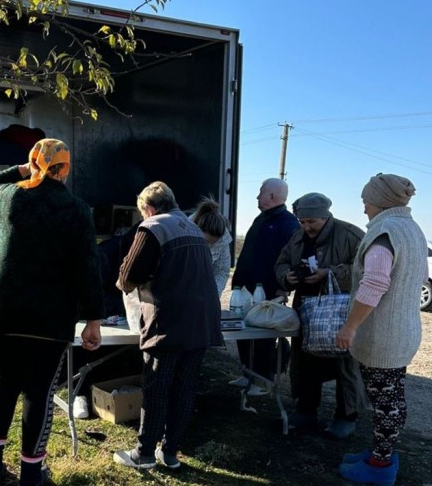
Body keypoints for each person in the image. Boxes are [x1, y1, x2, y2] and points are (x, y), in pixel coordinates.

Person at [0, 138, 104, 486]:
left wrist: (20, 170)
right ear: (65, 169)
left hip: (3, 310)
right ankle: (31, 475)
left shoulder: (11, 196)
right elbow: (88, 269)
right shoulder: (77, 210)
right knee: (39, 392)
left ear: (34, 163)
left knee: (3, 384)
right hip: (51, 318)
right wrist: (93, 320)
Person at [112, 181, 223, 470]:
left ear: (147, 208)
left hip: (169, 323)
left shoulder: (154, 227)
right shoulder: (193, 231)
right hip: (202, 323)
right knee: (185, 389)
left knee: (157, 388)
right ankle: (170, 453)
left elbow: (128, 277)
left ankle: (144, 454)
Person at [336, 174, 428, 486]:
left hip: (384, 337)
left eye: (366, 203)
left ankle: (380, 465)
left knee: (386, 402)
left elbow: (375, 283)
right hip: (403, 330)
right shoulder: (411, 230)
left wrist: (350, 327)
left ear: (380, 202)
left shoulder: (385, 233)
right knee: (390, 398)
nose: (364, 210)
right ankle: (379, 453)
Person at [275, 192, 368, 438]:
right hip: (306, 310)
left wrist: (330, 273)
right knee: (306, 362)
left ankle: (346, 416)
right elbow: (281, 262)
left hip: (340, 312)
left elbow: (365, 269)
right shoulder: (297, 237)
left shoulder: (351, 235)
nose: (306, 227)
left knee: (345, 362)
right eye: (302, 222)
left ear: (325, 216)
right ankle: (306, 410)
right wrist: (287, 276)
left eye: (311, 223)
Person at [229, 178, 299, 393]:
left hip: (266, 290)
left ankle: (261, 380)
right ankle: (247, 374)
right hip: (245, 288)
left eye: (260, 192)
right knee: (244, 330)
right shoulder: (261, 219)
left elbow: (291, 259)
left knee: (262, 336)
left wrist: (283, 287)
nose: (257, 196)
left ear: (271, 196)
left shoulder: (288, 222)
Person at [190, 196, 233, 297]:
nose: (210, 246)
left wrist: (213, 296)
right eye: (207, 242)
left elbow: (222, 271)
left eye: (214, 243)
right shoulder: (184, 230)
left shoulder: (223, 239)